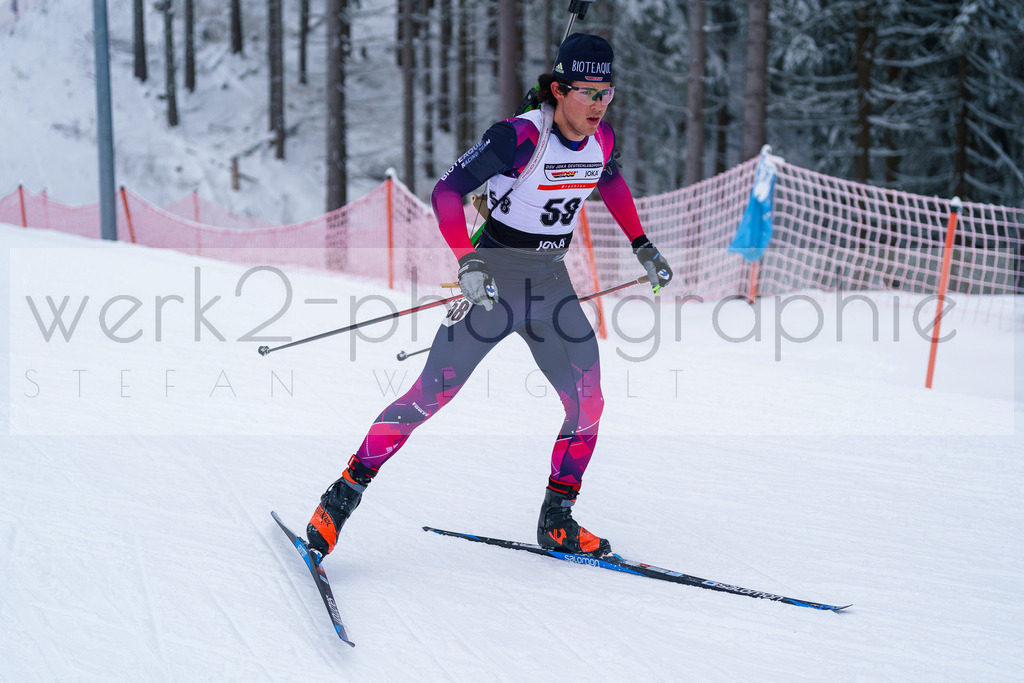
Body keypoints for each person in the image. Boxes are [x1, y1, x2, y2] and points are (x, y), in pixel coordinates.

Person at [306, 33, 672, 560]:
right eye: (588, 92)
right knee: (427, 398)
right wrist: (468, 260)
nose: (599, 104)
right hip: (492, 282)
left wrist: (642, 243)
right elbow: (446, 191)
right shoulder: (518, 137)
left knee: (588, 402)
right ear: (559, 89)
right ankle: (338, 500)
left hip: (550, 284)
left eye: (607, 93)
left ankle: (557, 520)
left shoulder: (603, 140)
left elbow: (607, 180)